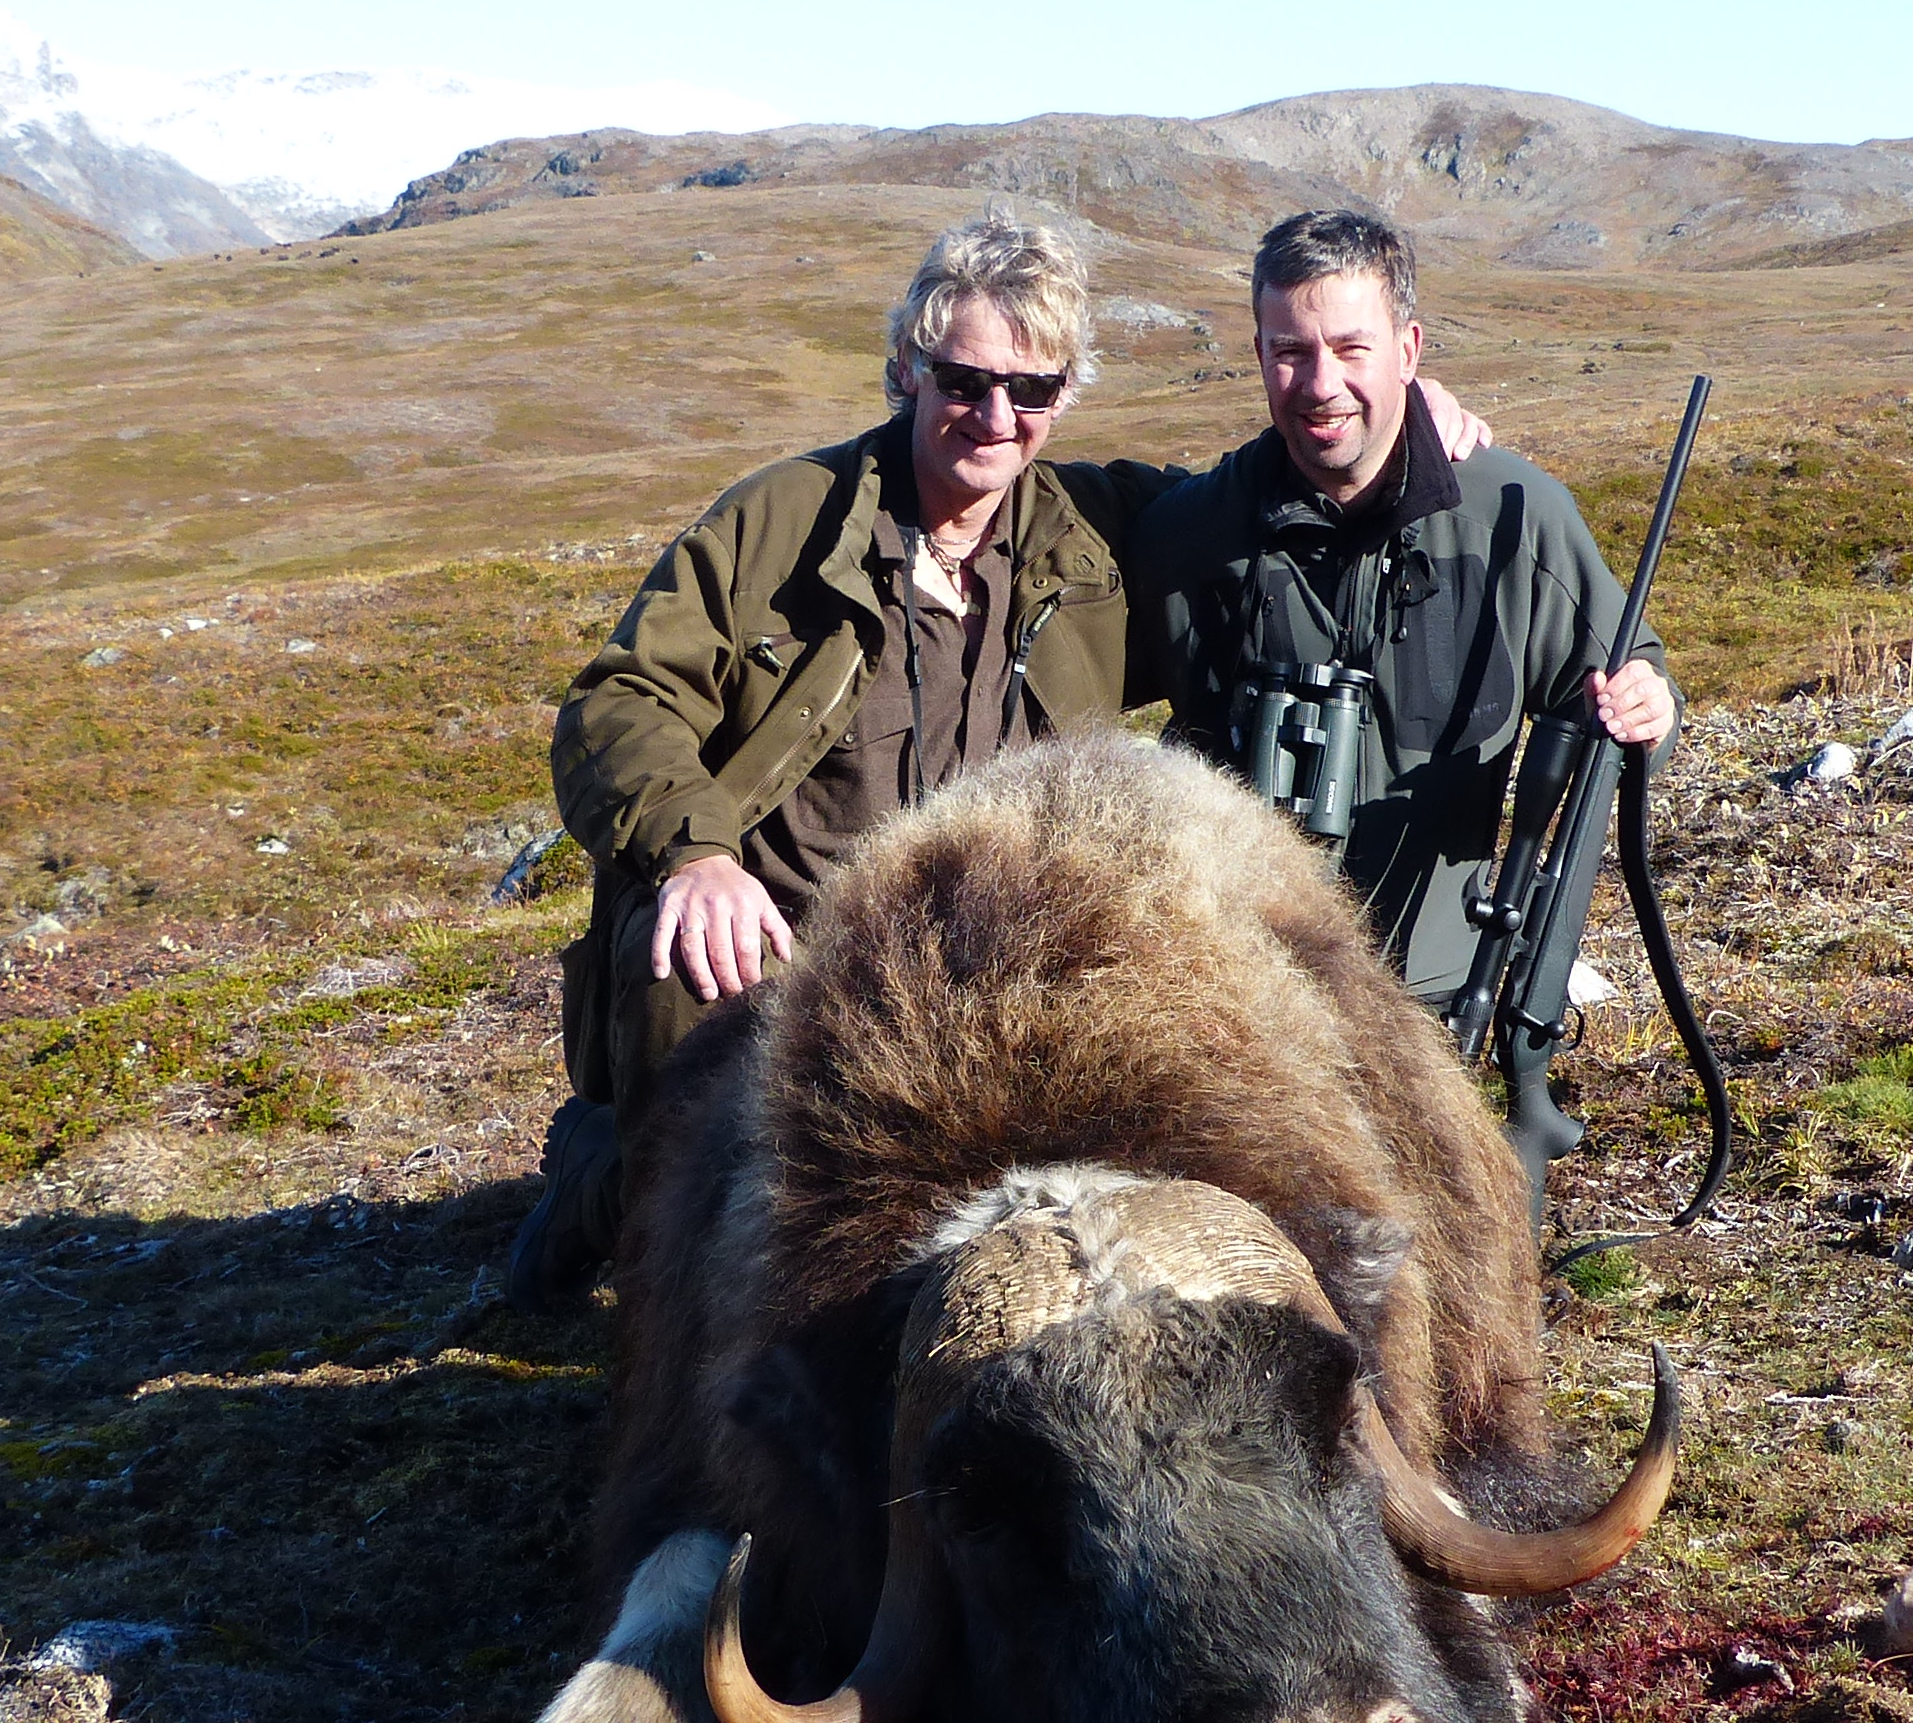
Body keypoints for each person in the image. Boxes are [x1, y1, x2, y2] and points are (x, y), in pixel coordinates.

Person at [508, 212, 1491, 1304]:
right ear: (906, 369)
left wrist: (1406, 416)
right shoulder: (780, 522)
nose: (993, 417)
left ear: (1062, 398)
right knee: (722, 1236)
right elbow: (619, 700)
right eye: (963, 381)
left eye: (1029, 391)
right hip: (788, 948)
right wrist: (697, 858)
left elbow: (1275, 485)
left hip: (990, 974)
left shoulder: (1096, 530)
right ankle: (607, 1185)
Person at [1135, 206, 1678, 1004]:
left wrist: (1650, 710)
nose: (1323, 386)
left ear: (1408, 352)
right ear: (1257, 356)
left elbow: (1626, 688)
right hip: (1241, 1006)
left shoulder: (1515, 518)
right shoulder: (1187, 533)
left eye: (1353, 349)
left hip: (1446, 996)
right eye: (1290, 352)